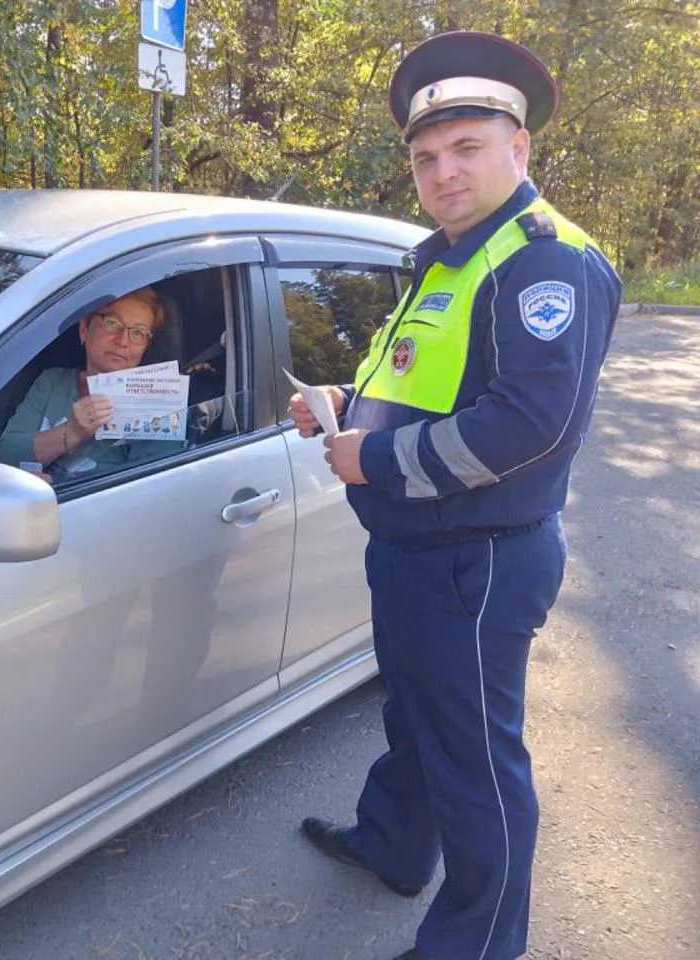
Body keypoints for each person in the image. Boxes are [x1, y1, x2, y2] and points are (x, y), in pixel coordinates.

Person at [288, 31, 620, 960]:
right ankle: (396, 846)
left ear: (520, 147)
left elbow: (529, 426)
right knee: (418, 718)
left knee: (478, 765)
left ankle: (476, 946)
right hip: (417, 549)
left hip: (476, 558)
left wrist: (377, 464)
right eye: (427, 156)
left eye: (466, 147)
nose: (443, 170)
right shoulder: (450, 258)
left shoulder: (544, 261)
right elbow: (430, 388)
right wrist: (344, 409)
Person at [0, 287, 169, 480]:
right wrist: (73, 432)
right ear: (84, 329)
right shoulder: (53, 381)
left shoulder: (157, 403)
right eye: (112, 323)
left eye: (138, 333)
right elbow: (6, 456)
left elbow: (152, 488)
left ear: (145, 346)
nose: (123, 341)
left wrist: (57, 489)